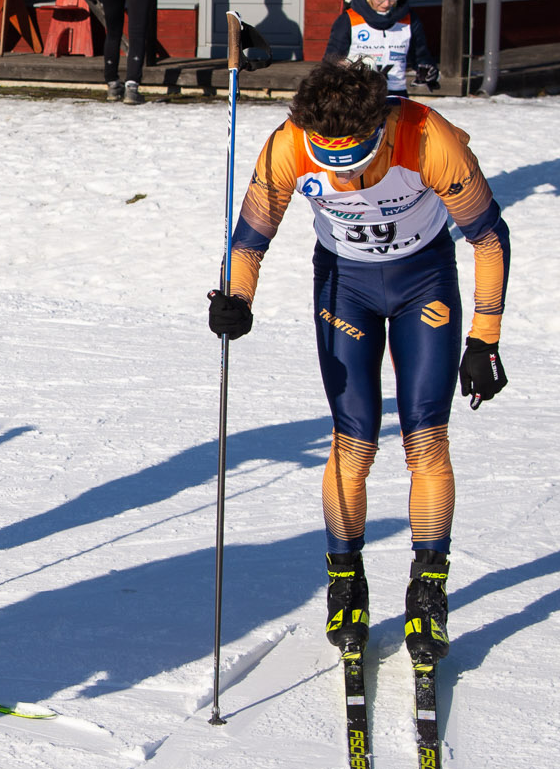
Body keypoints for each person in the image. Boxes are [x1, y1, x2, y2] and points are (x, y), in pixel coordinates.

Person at [206, 62, 511, 669]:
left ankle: (428, 589)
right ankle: (346, 583)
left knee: (427, 437)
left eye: (358, 163)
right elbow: (249, 241)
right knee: (355, 440)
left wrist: (485, 339)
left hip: (423, 280)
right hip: (345, 286)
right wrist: (236, 299)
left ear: (380, 127)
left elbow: (489, 236)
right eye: (333, 166)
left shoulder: (427, 136)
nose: (345, 181)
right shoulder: (289, 145)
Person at [322, 0, 439, 98]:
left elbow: (421, 56)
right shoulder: (348, 20)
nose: (386, 4)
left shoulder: (409, 19)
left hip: (395, 93)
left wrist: (428, 70)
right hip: (357, 95)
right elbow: (331, 60)